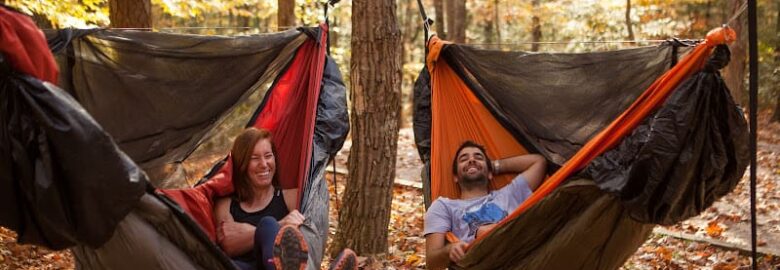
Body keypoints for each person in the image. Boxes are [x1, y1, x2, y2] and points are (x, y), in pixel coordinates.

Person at [214, 127, 357, 270]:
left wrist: (250, 232)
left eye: (268, 156)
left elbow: (311, 236)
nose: (264, 164)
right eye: (254, 158)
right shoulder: (226, 204)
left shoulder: (291, 197)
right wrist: (281, 224)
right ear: (242, 164)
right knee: (267, 227)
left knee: (268, 225)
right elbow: (229, 244)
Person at [424, 140, 547, 269]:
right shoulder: (444, 206)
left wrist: (493, 166)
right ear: (455, 176)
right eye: (463, 159)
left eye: (478, 157)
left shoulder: (509, 194)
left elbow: (538, 162)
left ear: (490, 174)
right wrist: (449, 250)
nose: (471, 160)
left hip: (520, 258)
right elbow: (432, 263)